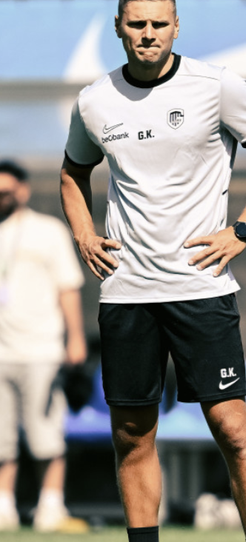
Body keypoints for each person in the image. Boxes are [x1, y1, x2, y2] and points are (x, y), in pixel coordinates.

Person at [59, 1, 246, 541]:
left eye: (158, 23)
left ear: (175, 27)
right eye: (136, 24)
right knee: (131, 433)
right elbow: (73, 173)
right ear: (118, 28)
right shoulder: (94, 100)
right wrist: (83, 234)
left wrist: (241, 230)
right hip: (126, 292)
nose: (148, 34)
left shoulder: (216, 86)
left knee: (233, 427)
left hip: (200, 287)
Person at [0, 160, 88, 533]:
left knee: (45, 434)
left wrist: (75, 338)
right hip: (1, 353)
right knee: (2, 437)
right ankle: (4, 506)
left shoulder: (48, 231)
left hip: (41, 350)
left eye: (6, 191)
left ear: (22, 190)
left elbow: (68, 287)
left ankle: (50, 505)